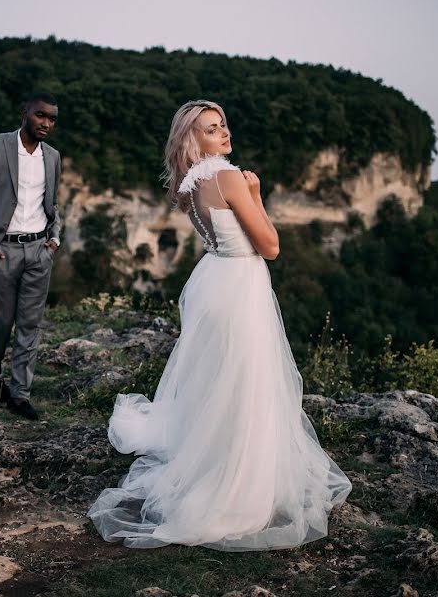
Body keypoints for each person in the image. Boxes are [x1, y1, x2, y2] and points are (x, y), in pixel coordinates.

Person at [87, 100, 352, 550]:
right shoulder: (228, 177)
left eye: (224, 123)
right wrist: (257, 195)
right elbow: (269, 246)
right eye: (212, 129)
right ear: (194, 140)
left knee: (218, 380)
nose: (224, 132)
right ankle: (237, 481)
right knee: (245, 381)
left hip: (213, 278)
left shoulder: (187, 185)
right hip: (240, 284)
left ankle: (213, 462)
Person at [0, 91, 62, 421]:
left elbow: (53, 203)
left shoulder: (53, 157)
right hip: (3, 250)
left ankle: (20, 394)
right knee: (2, 324)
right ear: (25, 113)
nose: (46, 123)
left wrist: (54, 238)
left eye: (51, 119)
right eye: (40, 115)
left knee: (30, 326)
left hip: (39, 250)